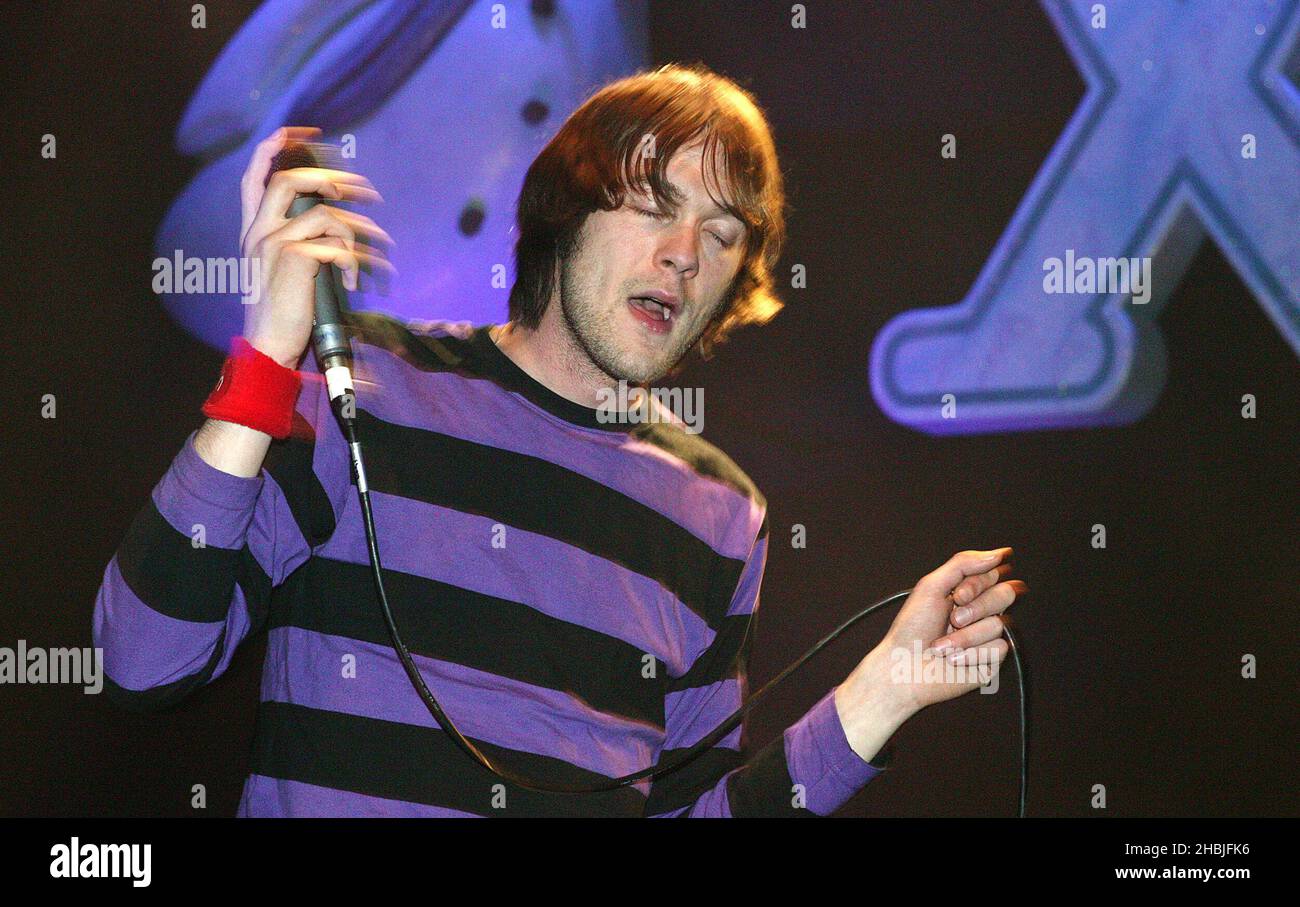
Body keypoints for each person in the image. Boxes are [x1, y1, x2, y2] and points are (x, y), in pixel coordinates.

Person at [93, 63, 1026, 817]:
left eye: (723, 233)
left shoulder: (720, 512)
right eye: (656, 205)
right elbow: (143, 657)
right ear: (567, 210)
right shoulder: (369, 392)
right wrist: (266, 358)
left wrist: (883, 694)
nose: (685, 253)